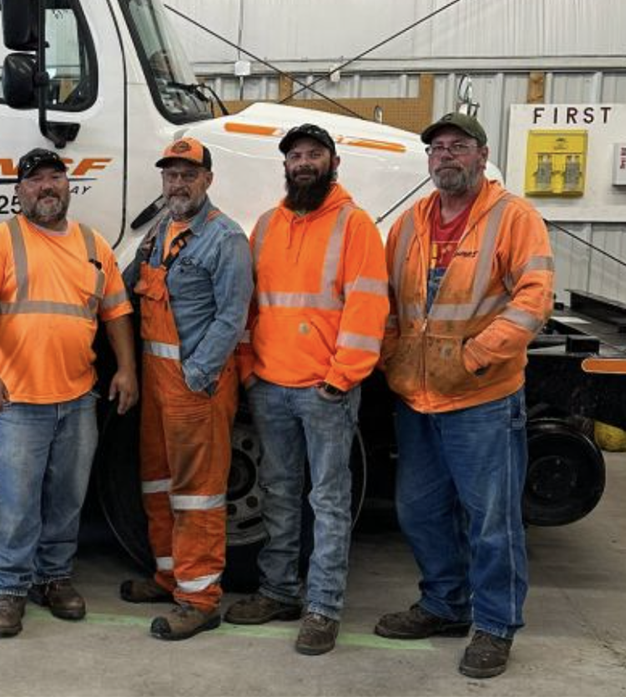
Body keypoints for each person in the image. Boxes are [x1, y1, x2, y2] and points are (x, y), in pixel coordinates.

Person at [375, 113, 554, 679]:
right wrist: (392, 356)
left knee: (492, 520)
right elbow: (386, 301)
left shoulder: (513, 218)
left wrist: (476, 357)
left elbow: (534, 299)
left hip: (483, 398)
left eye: (458, 146)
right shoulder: (410, 223)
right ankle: (445, 604)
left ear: (482, 155)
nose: (445, 156)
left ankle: (496, 625)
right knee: (419, 510)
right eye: (437, 148)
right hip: (417, 397)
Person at [224, 124, 389, 656]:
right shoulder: (267, 226)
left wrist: (340, 379)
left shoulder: (355, 225)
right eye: (295, 155)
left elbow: (368, 308)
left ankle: (323, 607)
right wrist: (248, 368)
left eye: (314, 154)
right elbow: (250, 305)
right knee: (278, 491)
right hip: (270, 386)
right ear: (286, 166)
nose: (303, 163)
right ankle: (279, 592)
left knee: (330, 501)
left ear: (333, 163)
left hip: (325, 392)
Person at [0, 148, 138, 638]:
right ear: (20, 191)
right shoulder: (0, 240)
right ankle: (9, 588)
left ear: (67, 184)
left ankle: (53, 578)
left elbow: (117, 313)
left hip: (78, 398)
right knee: (13, 503)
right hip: (17, 400)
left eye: (54, 177)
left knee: (66, 499)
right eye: (35, 179)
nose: (46, 186)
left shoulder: (93, 244)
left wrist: (127, 369)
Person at [120, 138, 252, 640]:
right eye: (171, 175)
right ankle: (170, 577)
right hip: (157, 384)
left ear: (208, 180)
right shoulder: (160, 231)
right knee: (157, 483)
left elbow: (232, 317)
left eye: (188, 175)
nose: (178, 184)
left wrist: (197, 376)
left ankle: (199, 600)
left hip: (196, 387)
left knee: (197, 494)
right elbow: (128, 287)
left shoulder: (226, 238)